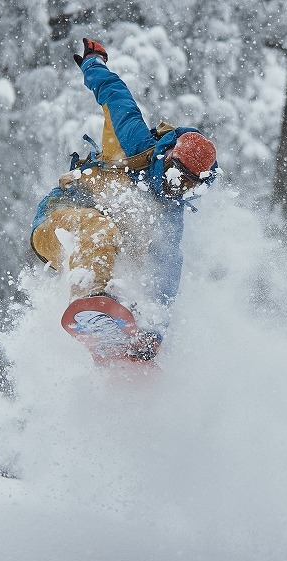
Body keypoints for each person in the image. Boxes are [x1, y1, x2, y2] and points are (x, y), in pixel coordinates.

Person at [31, 38, 218, 362]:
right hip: (60, 221)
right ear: (169, 154)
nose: (176, 186)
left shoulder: (168, 214)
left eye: (187, 185)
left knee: (142, 258)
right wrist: (94, 62)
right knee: (100, 228)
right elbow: (114, 92)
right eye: (175, 172)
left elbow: (166, 275)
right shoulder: (135, 144)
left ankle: (125, 326)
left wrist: (154, 333)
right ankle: (92, 304)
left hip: (105, 249)